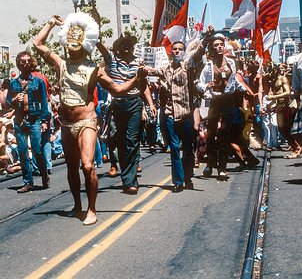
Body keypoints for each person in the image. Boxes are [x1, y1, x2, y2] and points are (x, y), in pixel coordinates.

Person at [33, 12, 145, 225]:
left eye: (75, 47)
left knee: (87, 165)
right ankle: (78, 204)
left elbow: (117, 89)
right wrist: (50, 23)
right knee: (72, 166)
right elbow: (38, 43)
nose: (70, 50)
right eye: (69, 47)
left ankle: (92, 209)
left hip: (86, 121)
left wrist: (136, 80)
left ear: (84, 46)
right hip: (66, 123)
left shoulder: (95, 68)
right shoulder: (61, 63)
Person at [145, 26, 214, 192]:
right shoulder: (166, 69)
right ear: (171, 52)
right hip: (169, 114)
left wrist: (207, 37)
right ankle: (178, 181)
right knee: (174, 148)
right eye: (174, 49)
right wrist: (141, 68)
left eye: (180, 49)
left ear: (183, 51)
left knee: (188, 148)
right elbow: (151, 70)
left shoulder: (187, 65)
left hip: (186, 114)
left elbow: (198, 51)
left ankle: (188, 177)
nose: (177, 52)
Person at [97, 34, 156, 194]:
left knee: (132, 140)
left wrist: (150, 104)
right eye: (122, 44)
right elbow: (100, 47)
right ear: (118, 47)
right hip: (117, 105)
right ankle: (126, 178)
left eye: (128, 44)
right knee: (120, 142)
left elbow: (143, 86)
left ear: (132, 46)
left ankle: (131, 181)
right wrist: (91, 34)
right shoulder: (111, 59)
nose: (125, 47)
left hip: (134, 104)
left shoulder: (138, 62)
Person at [197, 34, 248, 180]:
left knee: (225, 135)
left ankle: (222, 168)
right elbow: (199, 84)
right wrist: (207, 85)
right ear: (212, 49)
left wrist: (245, 90)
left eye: (221, 45)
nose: (219, 47)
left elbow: (234, 81)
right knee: (211, 135)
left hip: (228, 101)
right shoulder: (208, 66)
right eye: (216, 45)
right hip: (214, 101)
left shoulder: (231, 63)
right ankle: (210, 164)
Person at [6, 51, 50, 192]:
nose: (26, 64)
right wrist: (14, 100)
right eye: (23, 62)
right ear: (18, 64)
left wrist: (44, 121)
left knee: (37, 150)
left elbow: (44, 101)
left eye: (28, 61)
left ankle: (44, 174)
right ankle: (28, 182)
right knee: (23, 151)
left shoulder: (38, 82)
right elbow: (8, 101)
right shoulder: (13, 83)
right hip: (20, 121)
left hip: (35, 119)